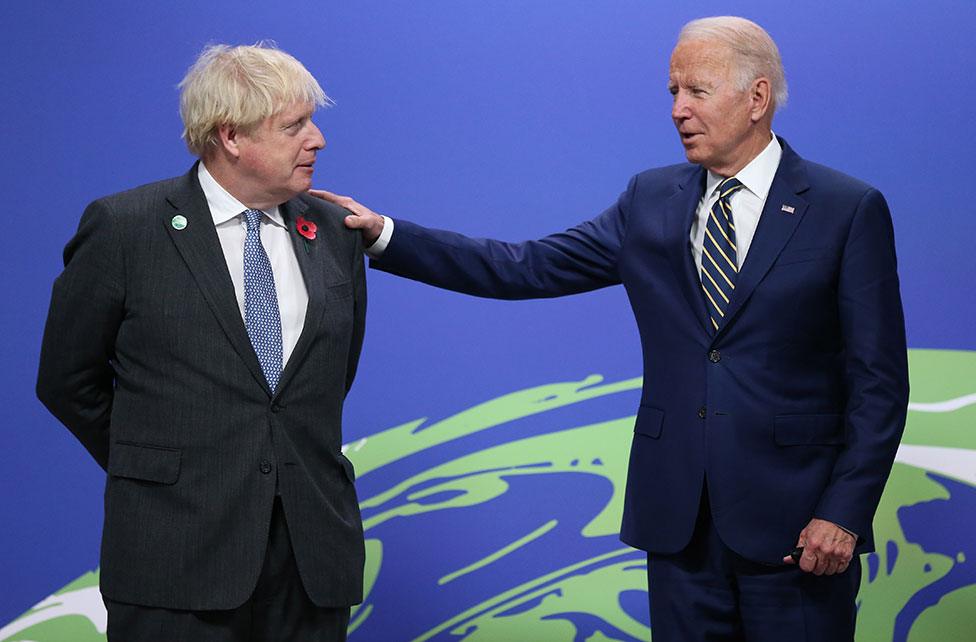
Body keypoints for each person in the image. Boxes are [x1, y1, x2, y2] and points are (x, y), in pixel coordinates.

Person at [313, 16, 909, 641]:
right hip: (679, 528)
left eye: (697, 91)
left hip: (797, 530)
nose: (678, 109)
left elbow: (880, 384)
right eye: (672, 91)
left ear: (756, 98)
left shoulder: (845, 209)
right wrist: (385, 236)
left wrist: (842, 514)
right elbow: (524, 267)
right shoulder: (651, 200)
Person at [37, 43, 365, 641]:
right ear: (230, 136)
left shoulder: (335, 234)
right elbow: (67, 379)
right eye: (294, 126)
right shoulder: (126, 228)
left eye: (312, 122)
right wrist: (164, 469)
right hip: (175, 561)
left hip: (310, 562)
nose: (317, 140)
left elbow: (325, 381)